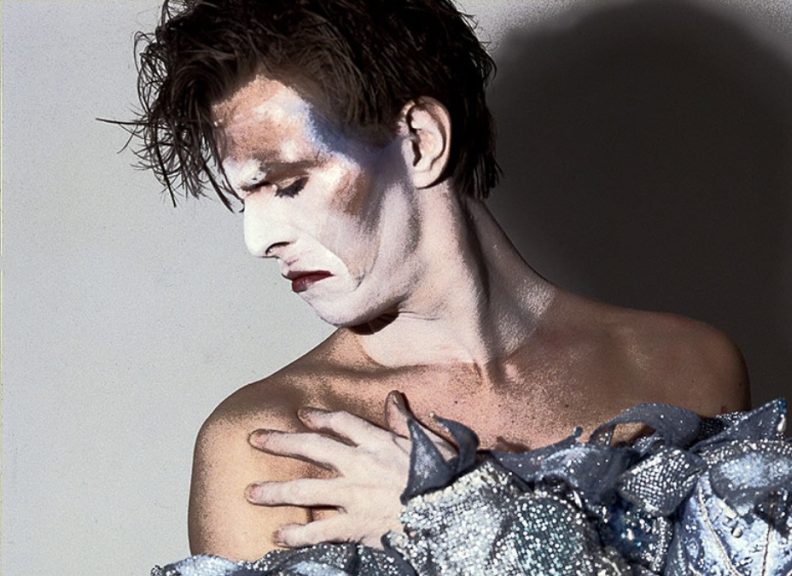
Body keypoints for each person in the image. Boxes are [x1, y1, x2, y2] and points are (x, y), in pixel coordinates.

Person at [125, 0, 750, 563]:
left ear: (422, 141)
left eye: (289, 185)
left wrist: (456, 518)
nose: (258, 240)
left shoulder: (685, 368)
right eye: (246, 199)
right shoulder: (275, 444)